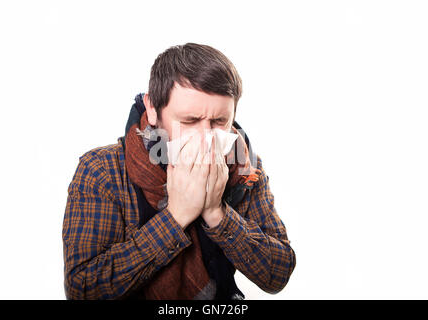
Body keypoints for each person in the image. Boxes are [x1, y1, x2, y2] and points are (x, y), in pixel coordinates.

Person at [62, 43, 296, 300]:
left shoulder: (245, 168)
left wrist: (217, 214)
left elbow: (278, 273)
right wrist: (176, 217)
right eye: (189, 121)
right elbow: (83, 290)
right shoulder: (102, 171)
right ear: (153, 110)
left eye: (219, 122)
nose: (206, 137)